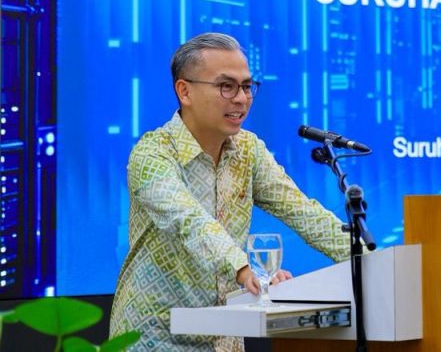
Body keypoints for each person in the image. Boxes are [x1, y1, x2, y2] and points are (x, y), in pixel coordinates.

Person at [110, 32, 351, 351]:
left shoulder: (248, 150)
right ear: (185, 91)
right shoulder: (153, 155)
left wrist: (370, 261)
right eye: (227, 86)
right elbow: (190, 221)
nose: (241, 98)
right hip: (154, 337)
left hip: (224, 337)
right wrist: (243, 267)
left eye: (247, 86)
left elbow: (302, 212)